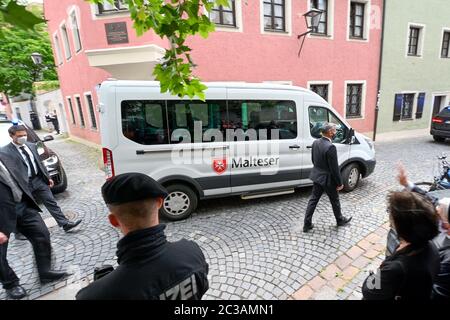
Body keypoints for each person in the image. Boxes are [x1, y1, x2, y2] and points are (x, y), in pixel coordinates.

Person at [76, 173, 209, 300]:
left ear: (114, 221)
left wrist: (105, 285)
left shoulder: (93, 295)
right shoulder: (192, 253)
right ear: (159, 203)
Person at [0, 151, 68, 299]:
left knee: (41, 234)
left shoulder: (5, 154)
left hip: (22, 206)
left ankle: (45, 272)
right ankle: (11, 284)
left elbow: (23, 173)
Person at [2, 125, 81, 236]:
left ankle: (65, 224)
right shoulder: (4, 152)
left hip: (38, 180)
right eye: (19, 136)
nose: (23, 138)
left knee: (51, 202)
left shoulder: (32, 146)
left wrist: (48, 177)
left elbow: (39, 163)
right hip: (22, 184)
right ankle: (18, 232)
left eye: (24, 135)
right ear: (12, 136)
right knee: (22, 208)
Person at [362, 191, 440, 300]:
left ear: (403, 228)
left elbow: (369, 291)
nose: (389, 223)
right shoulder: (432, 247)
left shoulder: (397, 268)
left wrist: (375, 272)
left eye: (391, 216)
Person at [397, 163, 450, 300]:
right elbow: (431, 199)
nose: (434, 213)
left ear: (447, 226)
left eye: (438, 215)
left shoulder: (447, 260)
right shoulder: (444, 212)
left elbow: (435, 294)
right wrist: (407, 184)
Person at [303, 122, 352, 232]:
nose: (335, 133)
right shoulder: (331, 147)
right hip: (328, 179)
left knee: (313, 200)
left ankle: (307, 224)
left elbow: (313, 160)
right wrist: (340, 183)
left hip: (317, 176)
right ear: (330, 133)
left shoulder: (315, 142)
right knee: (334, 200)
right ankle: (339, 220)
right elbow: (334, 169)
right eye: (334, 130)